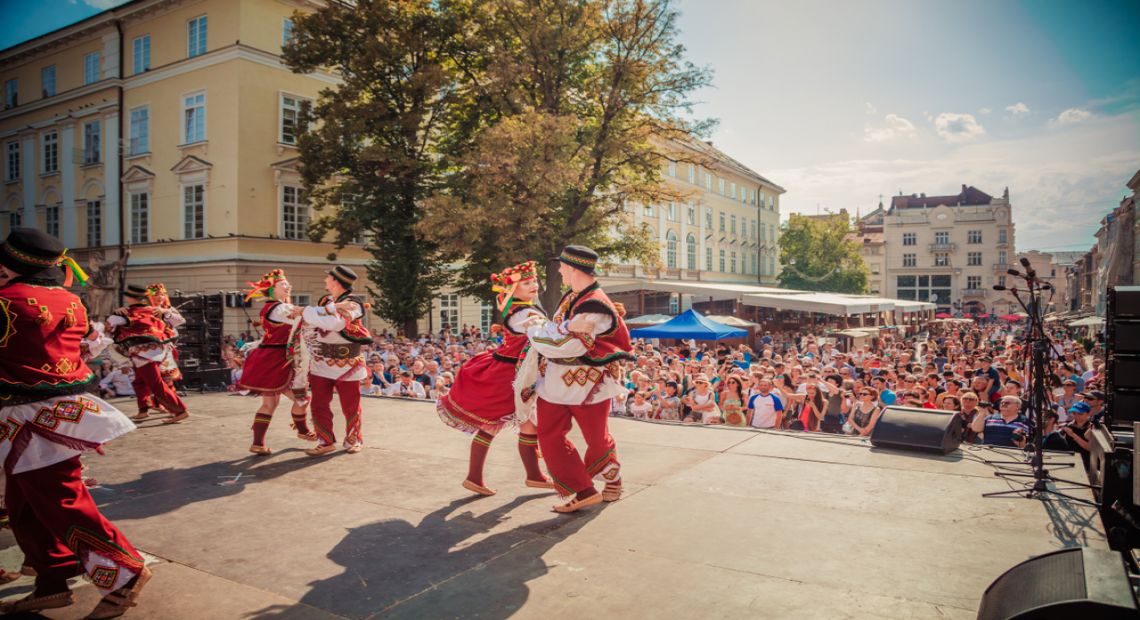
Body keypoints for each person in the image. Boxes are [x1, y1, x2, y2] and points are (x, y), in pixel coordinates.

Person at [0, 228, 151, 617]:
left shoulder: (5, 302)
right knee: (25, 504)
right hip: (60, 412)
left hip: (28, 417)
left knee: (63, 501)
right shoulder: (70, 300)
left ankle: (125, 572)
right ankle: (51, 580)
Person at [525, 246, 635, 513]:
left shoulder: (596, 305)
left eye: (562, 266)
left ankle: (613, 480)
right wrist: (556, 330)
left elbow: (570, 347)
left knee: (596, 439)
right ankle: (584, 490)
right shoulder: (574, 296)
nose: (559, 271)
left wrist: (538, 331)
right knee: (549, 436)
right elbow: (561, 336)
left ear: (573, 268)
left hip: (589, 383)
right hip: (555, 381)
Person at [435, 261, 554, 495]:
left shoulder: (519, 308)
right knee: (509, 423)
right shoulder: (525, 311)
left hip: (510, 369)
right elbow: (544, 334)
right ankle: (529, 475)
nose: (534, 285)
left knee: (511, 425)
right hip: (510, 374)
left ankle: (516, 476)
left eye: (535, 281)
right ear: (513, 289)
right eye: (527, 282)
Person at [236, 269, 318, 455]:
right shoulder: (279, 308)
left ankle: (258, 443)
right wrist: (332, 311)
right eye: (283, 284)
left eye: (287, 283)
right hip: (276, 360)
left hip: (271, 358)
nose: (288, 286)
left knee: (270, 404)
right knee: (302, 399)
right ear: (272, 290)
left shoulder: (273, 307)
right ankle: (303, 430)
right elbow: (305, 317)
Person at [301, 265, 372, 456]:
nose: (325, 281)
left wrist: (311, 314)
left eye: (328, 278)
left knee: (350, 405)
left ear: (336, 282)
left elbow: (335, 323)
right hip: (321, 361)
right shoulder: (324, 300)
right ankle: (325, 441)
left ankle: (353, 439)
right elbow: (312, 322)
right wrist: (320, 312)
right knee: (318, 403)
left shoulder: (354, 303)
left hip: (347, 362)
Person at [106, 283, 189, 423]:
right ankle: (144, 409)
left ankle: (179, 410)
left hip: (152, 353)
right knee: (139, 381)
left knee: (158, 383)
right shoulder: (139, 310)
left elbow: (180, 321)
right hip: (150, 351)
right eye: (156, 294)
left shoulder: (157, 310)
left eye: (161, 294)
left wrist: (165, 312)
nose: (159, 297)